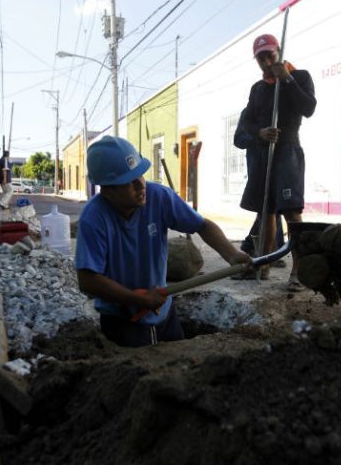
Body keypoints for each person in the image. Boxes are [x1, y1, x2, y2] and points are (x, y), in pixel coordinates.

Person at [75, 136, 252, 347]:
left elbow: (202, 226)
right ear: (108, 189)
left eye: (140, 175)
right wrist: (137, 299)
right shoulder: (94, 218)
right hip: (122, 319)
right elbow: (88, 279)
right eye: (129, 181)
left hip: (164, 312)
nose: (140, 185)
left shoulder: (159, 197)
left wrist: (232, 254)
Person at [236, 33, 317, 291]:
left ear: (279, 51)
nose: (266, 61)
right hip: (264, 154)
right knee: (266, 211)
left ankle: (299, 271)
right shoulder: (258, 89)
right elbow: (246, 122)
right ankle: (263, 264)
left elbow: (309, 108)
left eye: (270, 54)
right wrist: (259, 133)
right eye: (261, 57)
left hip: (288, 152)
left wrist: (288, 79)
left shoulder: (300, 76)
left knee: (292, 211)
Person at [232, 107, 286, 267]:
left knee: (272, 208)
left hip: (280, 165)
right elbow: (238, 139)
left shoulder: (280, 108)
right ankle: (262, 249)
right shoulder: (250, 112)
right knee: (267, 208)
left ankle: (260, 247)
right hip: (258, 165)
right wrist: (259, 136)